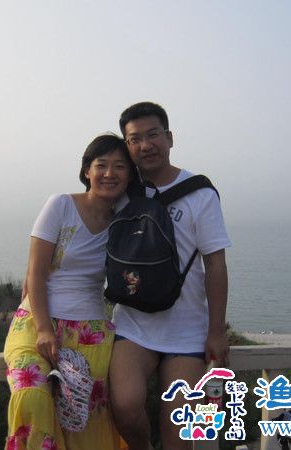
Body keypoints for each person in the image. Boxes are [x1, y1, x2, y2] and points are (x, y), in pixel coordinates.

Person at [109, 101, 231, 450]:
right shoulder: (122, 191)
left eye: (153, 135)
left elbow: (216, 264)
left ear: (170, 138)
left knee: (178, 430)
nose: (145, 145)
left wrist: (216, 331)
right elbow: (87, 229)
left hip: (186, 331)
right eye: (135, 139)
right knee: (124, 406)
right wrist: (40, 269)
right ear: (127, 146)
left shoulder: (200, 193)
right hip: (133, 324)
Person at [4, 134, 134, 450]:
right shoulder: (60, 205)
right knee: (31, 394)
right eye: (101, 165)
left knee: (84, 419)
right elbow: (35, 272)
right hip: (38, 323)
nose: (109, 173)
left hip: (91, 330)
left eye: (119, 166)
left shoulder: (126, 221)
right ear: (87, 170)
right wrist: (44, 329)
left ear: (130, 175)